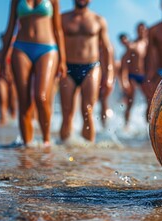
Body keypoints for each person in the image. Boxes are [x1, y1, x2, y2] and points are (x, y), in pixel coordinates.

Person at [0, 0, 67, 147]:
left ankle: (46, 142)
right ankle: (27, 146)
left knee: (41, 97)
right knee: (24, 103)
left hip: (48, 48)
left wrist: (63, 59)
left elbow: (58, 30)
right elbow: (10, 28)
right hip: (21, 48)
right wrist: (3, 58)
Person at [60, 0, 114, 142]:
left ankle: (88, 156)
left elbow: (107, 48)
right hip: (68, 68)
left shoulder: (98, 19)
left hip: (91, 67)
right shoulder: (63, 18)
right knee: (67, 113)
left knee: (87, 110)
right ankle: (64, 153)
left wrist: (109, 76)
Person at [120, 22, 148, 127]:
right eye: (139, 29)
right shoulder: (133, 45)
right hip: (132, 76)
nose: (141, 31)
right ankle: (126, 126)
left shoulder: (149, 45)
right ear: (136, 31)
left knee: (149, 101)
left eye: (143, 29)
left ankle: (147, 126)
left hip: (144, 76)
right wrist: (124, 80)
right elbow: (124, 63)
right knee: (130, 102)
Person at [0, 34, 17, 125]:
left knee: (13, 103)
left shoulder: (15, 52)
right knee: (3, 100)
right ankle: (2, 122)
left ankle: (12, 125)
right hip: (1, 78)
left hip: (13, 80)